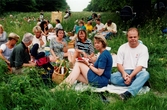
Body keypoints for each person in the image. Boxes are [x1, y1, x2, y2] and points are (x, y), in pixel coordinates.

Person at [110, 27, 149, 100]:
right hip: (125, 72)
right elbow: (119, 64)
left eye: (135, 37)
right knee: (111, 78)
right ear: (127, 37)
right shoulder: (122, 47)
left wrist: (130, 77)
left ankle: (128, 93)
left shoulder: (143, 48)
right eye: (130, 37)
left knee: (145, 74)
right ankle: (139, 83)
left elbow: (140, 66)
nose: (133, 39)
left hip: (138, 72)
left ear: (138, 37)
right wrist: (124, 75)